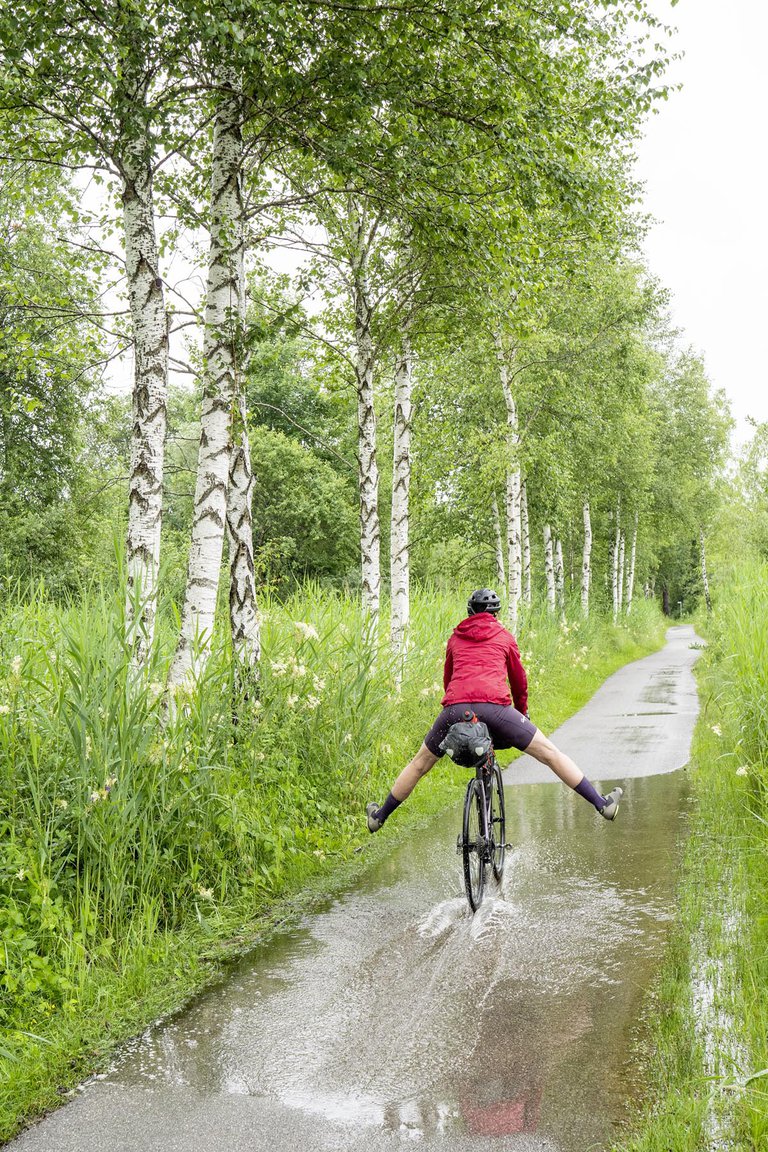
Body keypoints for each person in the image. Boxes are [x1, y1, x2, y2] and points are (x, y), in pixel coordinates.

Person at [366, 587, 622, 832]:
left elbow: (449, 680)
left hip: (455, 709)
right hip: (496, 709)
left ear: (470, 614)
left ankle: (379, 817)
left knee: (420, 763)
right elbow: (519, 681)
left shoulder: (455, 638)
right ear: (496, 614)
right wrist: (521, 712)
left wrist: (455, 704)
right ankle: (602, 805)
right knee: (550, 754)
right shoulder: (504, 637)